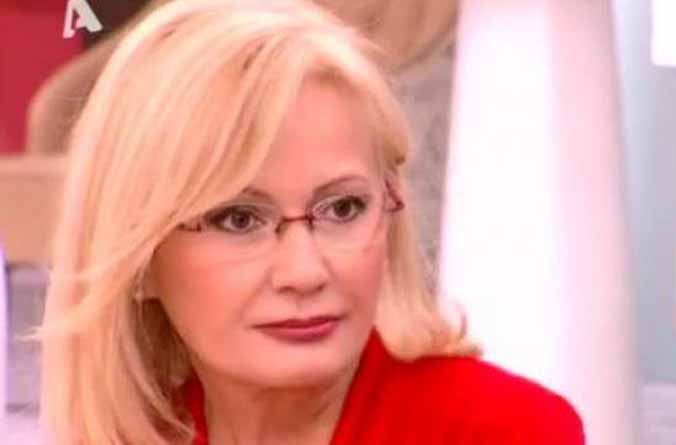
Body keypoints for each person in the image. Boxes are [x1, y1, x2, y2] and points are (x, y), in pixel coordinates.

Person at [37, 1, 584, 444]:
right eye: (238, 219)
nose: (304, 272)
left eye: (343, 208)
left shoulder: (507, 431)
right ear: (137, 260)